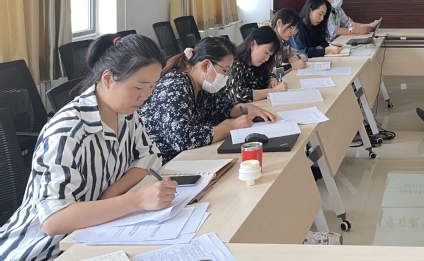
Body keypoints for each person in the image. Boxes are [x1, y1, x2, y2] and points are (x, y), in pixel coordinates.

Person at [0, 34, 177, 261]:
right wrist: (137, 200)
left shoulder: (127, 114)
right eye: (138, 87)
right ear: (108, 79)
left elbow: (150, 156)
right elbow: (54, 220)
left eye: (152, 87)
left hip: (91, 233)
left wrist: (112, 193)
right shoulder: (68, 131)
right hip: (41, 250)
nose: (146, 96)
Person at [138, 36, 277, 163]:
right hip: (162, 165)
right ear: (206, 65)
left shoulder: (201, 85)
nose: (226, 77)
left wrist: (248, 108)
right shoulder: (174, 85)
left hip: (185, 158)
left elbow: (222, 108)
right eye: (225, 71)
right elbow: (182, 139)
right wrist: (232, 127)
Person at [225, 26, 289, 103]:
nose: (267, 59)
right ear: (253, 44)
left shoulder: (258, 64)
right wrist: (273, 91)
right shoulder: (234, 63)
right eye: (266, 53)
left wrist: (272, 79)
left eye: (270, 55)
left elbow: (268, 73)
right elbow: (239, 95)